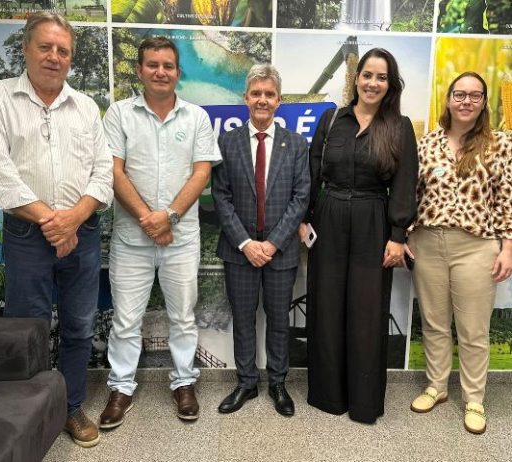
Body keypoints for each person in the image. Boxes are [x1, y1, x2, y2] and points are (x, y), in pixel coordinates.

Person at [0, 12, 113, 447]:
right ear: (26, 49)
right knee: (29, 331)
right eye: (45, 47)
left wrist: (73, 219)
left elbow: (103, 173)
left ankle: (71, 408)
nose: (54, 57)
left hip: (82, 233)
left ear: (70, 57)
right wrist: (53, 223)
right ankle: (31, 416)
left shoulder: (86, 107)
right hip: (26, 237)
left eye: (63, 50)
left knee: (79, 326)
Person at [99, 36, 221, 428]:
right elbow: (114, 171)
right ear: (139, 70)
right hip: (131, 240)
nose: (160, 72)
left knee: (182, 317)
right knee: (125, 320)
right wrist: (148, 219)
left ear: (178, 72)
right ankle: (121, 388)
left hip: (180, 239)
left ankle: (184, 382)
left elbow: (201, 173)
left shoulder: (196, 118)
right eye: (152, 64)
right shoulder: (119, 114)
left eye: (168, 65)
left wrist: (168, 216)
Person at [302, 48, 418, 424]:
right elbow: (313, 173)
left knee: (367, 313)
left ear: (390, 84)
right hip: (329, 218)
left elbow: (405, 184)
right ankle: (328, 396)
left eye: (381, 77)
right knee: (327, 306)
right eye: (367, 75)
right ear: (356, 79)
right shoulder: (331, 119)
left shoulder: (399, 127)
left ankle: (364, 402)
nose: (372, 83)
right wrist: (304, 219)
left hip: (373, 221)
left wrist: (398, 235)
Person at [408, 72, 512, 434]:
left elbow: (506, 199)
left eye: (475, 95)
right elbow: (413, 194)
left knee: (473, 329)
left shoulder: (499, 144)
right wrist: (407, 234)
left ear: (484, 103)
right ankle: (436, 387)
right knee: (434, 323)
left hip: (476, 247)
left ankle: (474, 399)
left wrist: (508, 247)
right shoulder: (427, 144)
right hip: (428, 243)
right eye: (460, 94)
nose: (466, 101)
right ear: (449, 99)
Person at [212, 64, 310, 416]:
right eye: (256, 93)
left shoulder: (295, 144)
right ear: (246, 98)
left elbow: (301, 197)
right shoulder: (228, 142)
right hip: (239, 251)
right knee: (243, 318)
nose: (262, 100)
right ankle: (246, 382)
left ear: (279, 100)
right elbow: (221, 196)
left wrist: (272, 243)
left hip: (280, 252)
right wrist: (246, 243)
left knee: (279, 320)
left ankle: (278, 383)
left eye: (269, 94)